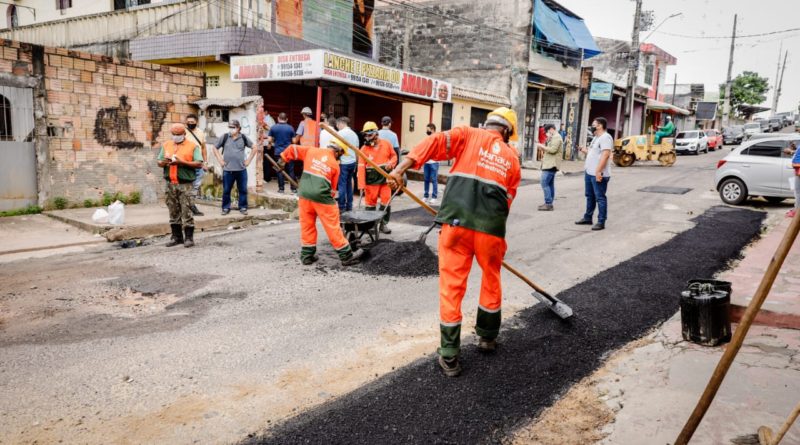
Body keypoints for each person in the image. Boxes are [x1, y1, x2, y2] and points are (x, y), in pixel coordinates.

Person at [387, 107, 522, 378]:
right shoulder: (512, 159)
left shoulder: (467, 134)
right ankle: (487, 337)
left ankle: (449, 355)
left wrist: (401, 168)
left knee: (451, 286)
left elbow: (434, 142)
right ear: (507, 132)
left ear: (488, 124)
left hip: (455, 225)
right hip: (490, 231)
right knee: (491, 278)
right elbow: (506, 202)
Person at [278, 139, 365, 266]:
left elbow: (292, 148)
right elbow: (332, 191)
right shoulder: (335, 166)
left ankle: (307, 255)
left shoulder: (311, 151)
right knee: (332, 226)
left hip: (304, 195)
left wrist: (282, 160)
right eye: (341, 154)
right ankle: (346, 256)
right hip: (322, 198)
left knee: (307, 224)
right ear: (337, 151)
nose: (340, 157)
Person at [157, 123, 203, 248]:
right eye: (173, 134)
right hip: (170, 184)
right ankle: (176, 237)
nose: (175, 137)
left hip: (185, 184)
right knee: (173, 211)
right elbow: (159, 162)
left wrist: (181, 162)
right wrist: (163, 162)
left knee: (186, 210)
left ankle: (189, 238)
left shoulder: (193, 146)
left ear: (184, 134)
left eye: (178, 135)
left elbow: (199, 163)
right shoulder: (166, 145)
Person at [210, 119, 257, 215]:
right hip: (228, 170)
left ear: (239, 128)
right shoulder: (225, 137)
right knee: (226, 190)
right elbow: (214, 147)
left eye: (233, 127)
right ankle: (226, 208)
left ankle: (243, 207)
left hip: (241, 170)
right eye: (230, 127)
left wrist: (248, 160)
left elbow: (254, 147)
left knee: (243, 190)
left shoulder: (243, 137)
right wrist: (220, 160)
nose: (231, 129)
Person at [358, 121, 397, 234]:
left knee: (386, 202)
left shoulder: (386, 144)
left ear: (376, 134)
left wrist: (391, 163)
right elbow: (361, 168)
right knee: (370, 204)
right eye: (365, 135)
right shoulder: (363, 149)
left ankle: (383, 224)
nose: (367, 137)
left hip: (385, 179)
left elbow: (394, 156)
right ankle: (370, 225)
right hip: (371, 180)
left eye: (369, 135)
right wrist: (361, 185)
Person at [575, 117, 613, 231]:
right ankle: (588, 217)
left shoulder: (606, 137)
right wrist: (584, 150)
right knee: (589, 196)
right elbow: (594, 153)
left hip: (598, 173)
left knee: (600, 197)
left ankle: (601, 221)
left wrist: (598, 171)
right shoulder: (596, 138)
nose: (592, 126)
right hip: (589, 172)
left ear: (600, 125)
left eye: (594, 124)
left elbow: (605, 155)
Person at [536, 123, 563, 211]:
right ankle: (549, 203)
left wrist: (542, 146)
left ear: (551, 129)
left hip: (551, 164)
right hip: (550, 163)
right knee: (550, 184)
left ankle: (548, 203)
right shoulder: (553, 137)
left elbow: (552, 150)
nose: (547, 133)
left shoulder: (557, 137)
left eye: (547, 131)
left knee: (544, 183)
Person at [268, 113, 297, 193]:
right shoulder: (290, 128)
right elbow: (294, 141)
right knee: (291, 170)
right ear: (286, 119)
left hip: (279, 153)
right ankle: (293, 188)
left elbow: (269, 140)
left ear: (278, 118)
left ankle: (281, 189)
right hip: (289, 153)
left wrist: (274, 141)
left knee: (279, 170)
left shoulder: (274, 128)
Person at [335, 116, 359, 212]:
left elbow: (335, 147)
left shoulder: (340, 133)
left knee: (342, 185)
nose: (337, 127)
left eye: (337, 126)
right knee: (349, 184)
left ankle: (341, 206)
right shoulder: (354, 134)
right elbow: (357, 150)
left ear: (340, 123)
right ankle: (349, 205)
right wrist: (356, 162)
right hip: (352, 162)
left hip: (343, 163)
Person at [185, 114, 206, 216]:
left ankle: (192, 206)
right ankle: (188, 207)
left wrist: (205, 162)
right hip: (186, 164)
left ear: (196, 122)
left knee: (196, 186)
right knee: (187, 186)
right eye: (188, 122)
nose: (190, 124)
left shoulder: (201, 133)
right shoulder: (183, 132)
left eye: (192, 123)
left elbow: (203, 148)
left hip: (198, 164)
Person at [423, 123, 439, 204]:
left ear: (432, 129)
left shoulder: (437, 138)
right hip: (426, 162)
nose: (427, 131)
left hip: (434, 162)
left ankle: (434, 197)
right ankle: (425, 196)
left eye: (428, 129)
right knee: (426, 179)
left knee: (434, 179)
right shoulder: (428, 138)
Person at [260, 108, 276, 183]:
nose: (261, 114)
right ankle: (267, 177)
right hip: (268, 143)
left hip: (267, 143)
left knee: (266, 162)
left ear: (266, 112)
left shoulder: (268, 119)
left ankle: (266, 178)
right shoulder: (270, 119)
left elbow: (271, 131)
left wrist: (269, 143)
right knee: (267, 161)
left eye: (262, 112)